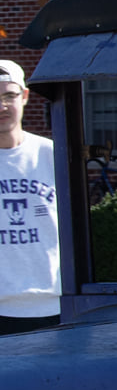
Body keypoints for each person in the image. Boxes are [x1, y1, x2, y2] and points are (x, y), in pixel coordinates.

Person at [0, 60, 59, 331]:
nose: (2, 107)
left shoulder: (52, 154)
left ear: (24, 96)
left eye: (9, 96)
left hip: (55, 306)